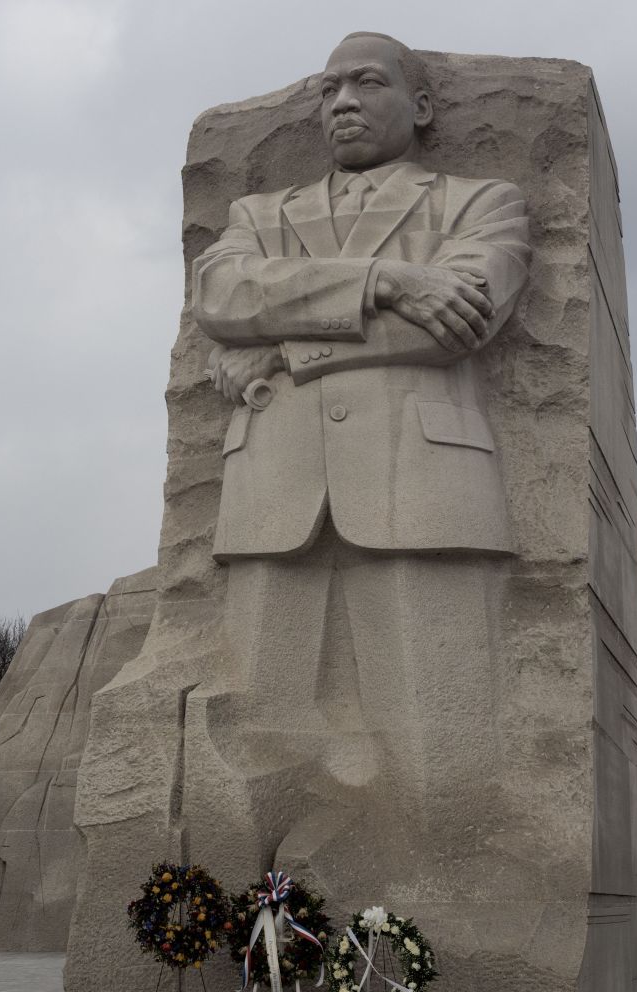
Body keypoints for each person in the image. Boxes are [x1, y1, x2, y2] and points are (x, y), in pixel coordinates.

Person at [187, 31, 533, 828]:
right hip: (274, 492)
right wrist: (386, 279)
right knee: (250, 752)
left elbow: (459, 321)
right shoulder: (259, 213)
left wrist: (280, 347)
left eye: (367, 82)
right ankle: (253, 932)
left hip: (424, 490)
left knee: (440, 758)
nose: (342, 101)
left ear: (419, 105)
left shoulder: (479, 203)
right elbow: (222, 296)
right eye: (328, 87)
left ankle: (442, 917)